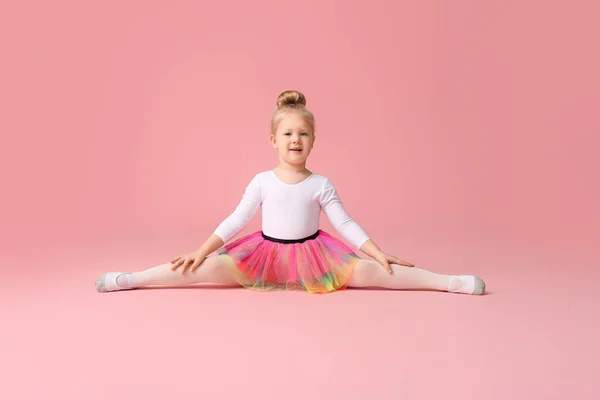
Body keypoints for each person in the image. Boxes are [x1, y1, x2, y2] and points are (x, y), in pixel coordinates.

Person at [95, 90, 485, 295]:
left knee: (373, 273)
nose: (295, 140)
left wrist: (376, 250)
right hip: (262, 254)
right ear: (273, 140)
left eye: (303, 134)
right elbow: (237, 218)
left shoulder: (321, 184)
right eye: (287, 133)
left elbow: (345, 223)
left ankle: (447, 282)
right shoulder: (262, 180)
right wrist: (202, 249)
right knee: (202, 269)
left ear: (313, 141)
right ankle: (131, 279)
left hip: (315, 256)